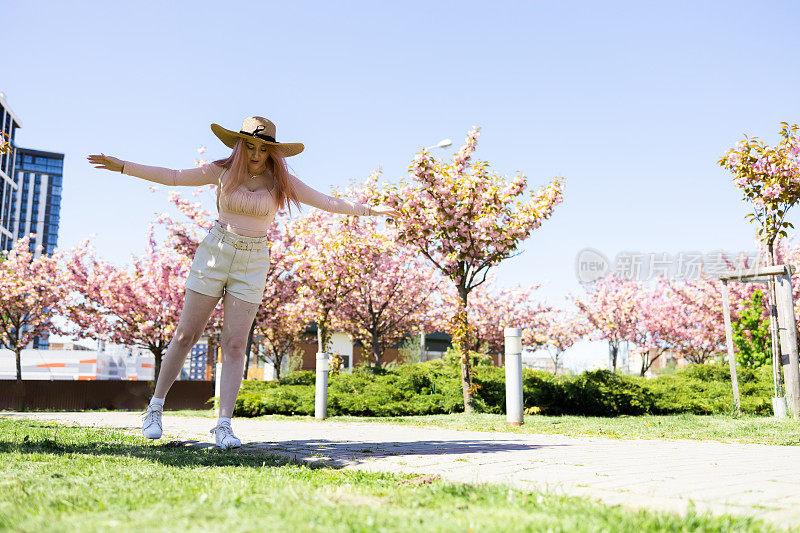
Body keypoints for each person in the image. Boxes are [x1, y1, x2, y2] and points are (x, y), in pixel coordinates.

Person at [88, 116, 401, 449]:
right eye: (249, 146)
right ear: (239, 145)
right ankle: (155, 409)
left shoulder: (281, 182)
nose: (255, 154)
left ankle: (224, 425)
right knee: (185, 335)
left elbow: (326, 201)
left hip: (253, 261)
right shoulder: (222, 170)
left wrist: (372, 210)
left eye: (263, 148)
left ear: (272, 151)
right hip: (215, 252)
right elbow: (174, 177)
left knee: (236, 344)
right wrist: (123, 166)